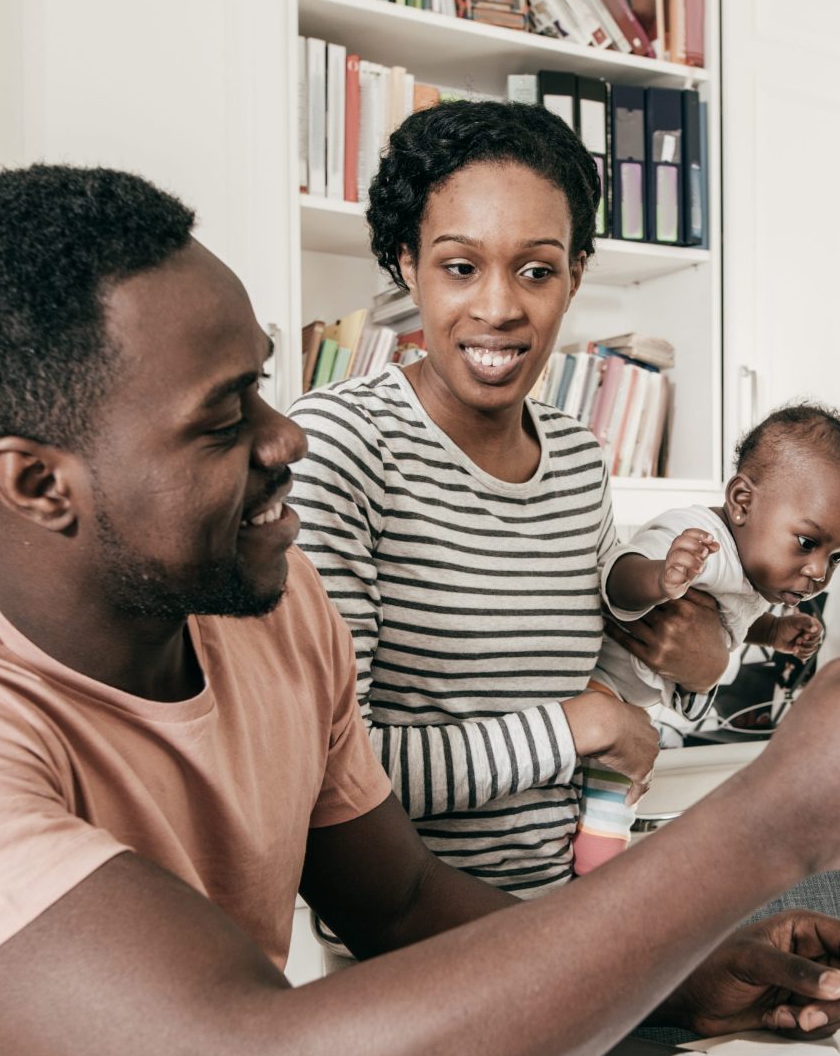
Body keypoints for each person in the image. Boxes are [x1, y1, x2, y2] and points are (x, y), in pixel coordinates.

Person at [0, 165, 840, 1056]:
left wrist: (683, 965)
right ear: (38, 482)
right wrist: (774, 823)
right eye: (225, 414)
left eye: (265, 386)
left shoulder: (275, 620)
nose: (289, 437)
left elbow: (396, 904)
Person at [289, 101, 736, 898]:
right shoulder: (340, 446)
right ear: (406, 263)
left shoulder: (575, 457)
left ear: (576, 274)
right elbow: (329, 771)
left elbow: (625, 691)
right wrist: (575, 728)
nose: (498, 307)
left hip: (571, 918)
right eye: (460, 266)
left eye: (536, 269)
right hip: (402, 946)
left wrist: (700, 661)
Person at [576, 405, 840, 874]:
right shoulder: (701, 541)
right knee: (606, 821)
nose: (820, 572)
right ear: (741, 501)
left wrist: (773, 632)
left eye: (838, 557)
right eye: (807, 543)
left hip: (627, 710)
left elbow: (732, 622)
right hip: (595, 691)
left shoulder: (752, 577)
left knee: (615, 811)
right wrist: (660, 577)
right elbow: (616, 578)